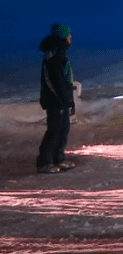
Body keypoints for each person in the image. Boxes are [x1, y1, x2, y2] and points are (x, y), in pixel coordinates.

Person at [37, 23, 77, 174]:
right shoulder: (54, 56)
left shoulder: (59, 53)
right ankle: (44, 162)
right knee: (55, 130)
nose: (70, 37)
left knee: (63, 129)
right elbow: (56, 81)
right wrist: (64, 98)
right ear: (62, 37)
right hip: (55, 100)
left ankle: (58, 159)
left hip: (61, 99)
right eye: (68, 35)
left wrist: (68, 98)